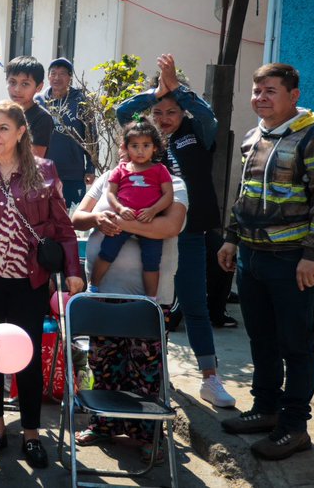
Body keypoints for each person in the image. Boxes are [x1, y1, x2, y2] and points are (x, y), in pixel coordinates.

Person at [217, 63, 314, 460]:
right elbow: (244, 190)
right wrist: (232, 239)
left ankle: (293, 427)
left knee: (296, 344)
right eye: (257, 91)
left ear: (293, 96)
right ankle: (265, 409)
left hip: (291, 260)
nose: (260, 98)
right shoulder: (255, 136)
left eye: (270, 91)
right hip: (252, 256)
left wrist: (313, 255)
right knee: (262, 339)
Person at [0, 100, 83, 468]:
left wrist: (73, 269)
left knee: (25, 361)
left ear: (21, 132)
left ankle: (30, 433)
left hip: (29, 283)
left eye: (4, 128)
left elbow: (62, 227)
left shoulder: (44, 171)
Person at [114, 54, 238, 407]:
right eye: (159, 112)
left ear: (182, 111)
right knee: (148, 304)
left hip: (189, 232)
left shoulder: (197, 133)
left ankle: (210, 379)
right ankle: (149, 372)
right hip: (146, 233)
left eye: (171, 111)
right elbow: (123, 113)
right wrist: (157, 91)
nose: (165, 119)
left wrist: (177, 89)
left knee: (195, 305)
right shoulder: (144, 141)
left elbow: (208, 116)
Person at [71, 168, 190, 462]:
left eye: (142, 146)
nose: (133, 154)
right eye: (129, 147)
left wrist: (125, 224)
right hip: (104, 295)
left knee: (145, 370)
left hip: (149, 300)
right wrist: (98, 219)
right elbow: (76, 218)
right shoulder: (108, 179)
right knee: (103, 363)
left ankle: (148, 436)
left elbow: (170, 227)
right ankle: (104, 424)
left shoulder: (172, 182)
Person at [91, 119, 175, 299]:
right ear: (126, 148)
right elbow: (111, 194)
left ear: (155, 147)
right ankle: (93, 287)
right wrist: (120, 209)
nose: (140, 150)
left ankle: (151, 299)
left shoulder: (160, 170)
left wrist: (153, 210)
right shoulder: (120, 170)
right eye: (135, 146)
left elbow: (168, 195)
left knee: (151, 263)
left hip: (150, 223)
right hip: (123, 220)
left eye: (146, 145)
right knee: (106, 253)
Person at [35, 58, 95, 204]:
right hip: (43, 173)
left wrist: (91, 168)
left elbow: (91, 135)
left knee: (70, 218)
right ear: (48, 77)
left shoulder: (81, 101)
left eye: (62, 74)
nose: (57, 78)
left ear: (70, 77)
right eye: (53, 73)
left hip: (72, 173)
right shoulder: (39, 101)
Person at [4, 57, 54, 158]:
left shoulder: (42, 119)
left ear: (39, 87)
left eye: (25, 84)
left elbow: (34, 160)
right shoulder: (3, 113)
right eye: (12, 82)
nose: (17, 89)